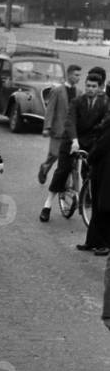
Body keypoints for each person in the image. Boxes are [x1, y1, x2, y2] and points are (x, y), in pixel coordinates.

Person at [72, 70, 110, 254]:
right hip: (101, 167)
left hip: (105, 167)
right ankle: (93, 240)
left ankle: (104, 243)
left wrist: (91, 156)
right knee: (97, 204)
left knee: (103, 206)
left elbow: (104, 143)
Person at [39, 64, 81, 220]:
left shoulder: (79, 92)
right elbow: (50, 109)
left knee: (63, 162)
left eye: (79, 75)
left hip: (71, 134)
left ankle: (65, 184)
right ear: (69, 75)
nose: (78, 78)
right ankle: (44, 168)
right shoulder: (57, 90)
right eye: (76, 75)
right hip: (58, 130)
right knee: (54, 155)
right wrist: (47, 126)